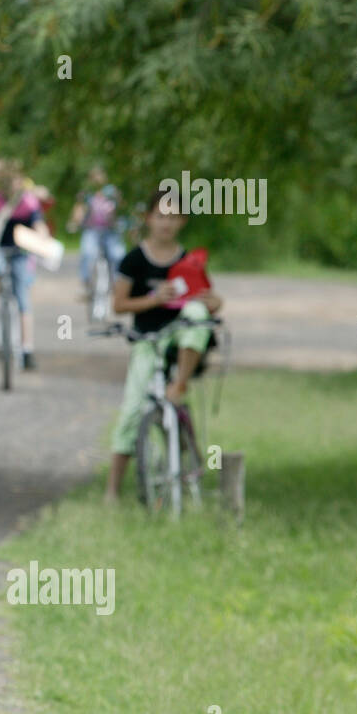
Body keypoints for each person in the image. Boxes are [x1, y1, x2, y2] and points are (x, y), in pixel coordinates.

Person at [105, 188, 223, 502]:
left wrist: (212, 301)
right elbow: (118, 304)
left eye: (172, 217)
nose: (166, 223)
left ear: (182, 221)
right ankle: (112, 490)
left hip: (180, 338)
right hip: (147, 339)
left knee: (197, 315)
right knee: (131, 411)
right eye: (160, 216)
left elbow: (208, 299)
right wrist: (154, 299)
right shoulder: (133, 260)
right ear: (149, 219)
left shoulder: (189, 261)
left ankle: (180, 383)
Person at [0, 161, 51, 371]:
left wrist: (43, 240)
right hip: (0, 248)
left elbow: (39, 224)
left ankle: (27, 349)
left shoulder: (29, 202)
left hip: (21, 252)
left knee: (23, 299)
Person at [67, 165, 126, 297]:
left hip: (110, 230)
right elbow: (79, 209)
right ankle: (86, 283)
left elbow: (121, 208)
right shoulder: (87, 193)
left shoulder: (112, 192)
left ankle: (117, 284)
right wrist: (75, 222)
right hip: (92, 230)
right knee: (87, 253)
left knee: (117, 255)